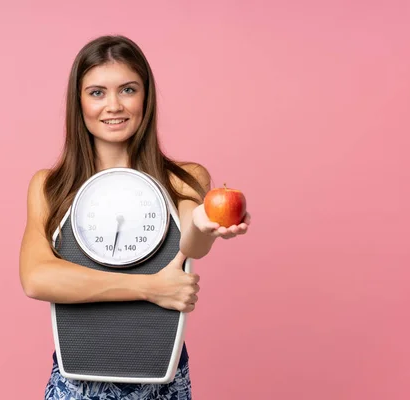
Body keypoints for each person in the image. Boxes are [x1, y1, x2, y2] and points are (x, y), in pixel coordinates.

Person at [19, 35, 251, 400]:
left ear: (146, 97)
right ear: (78, 102)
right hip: (75, 385)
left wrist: (205, 224)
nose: (113, 105)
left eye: (128, 89)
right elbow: (36, 278)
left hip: (161, 381)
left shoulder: (182, 177)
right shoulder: (51, 186)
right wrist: (151, 287)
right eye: (97, 92)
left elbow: (193, 242)